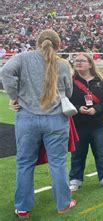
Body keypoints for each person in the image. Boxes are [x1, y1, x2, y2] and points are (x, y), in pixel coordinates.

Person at [1, 29, 76, 218]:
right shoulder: (63, 64)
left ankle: (23, 207)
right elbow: (69, 93)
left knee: (24, 163)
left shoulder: (22, 58)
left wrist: (14, 97)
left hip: (27, 118)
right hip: (56, 119)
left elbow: (5, 71)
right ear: (58, 45)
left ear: (37, 42)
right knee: (58, 163)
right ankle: (64, 204)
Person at [69, 53, 103, 191]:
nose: (78, 63)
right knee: (77, 153)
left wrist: (97, 108)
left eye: (82, 61)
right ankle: (75, 179)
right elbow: (65, 100)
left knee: (101, 152)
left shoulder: (101, 82)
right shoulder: (69, 82)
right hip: (78, 124)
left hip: (100, 124)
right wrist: (78, 109)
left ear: (90, 64)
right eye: (76, 61)